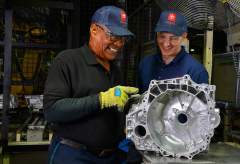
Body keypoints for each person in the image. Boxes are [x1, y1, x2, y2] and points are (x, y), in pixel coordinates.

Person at [44, 6, 139, 164]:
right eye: (113, 35)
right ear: (94, 30)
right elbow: (52, 110)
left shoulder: (115, 70)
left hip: (110, 156)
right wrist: (101, 100)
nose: (119, 43)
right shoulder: (67, 61)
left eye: (123, 38)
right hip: (73, 155)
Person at [138, 10, 209, 93]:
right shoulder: (146, 64)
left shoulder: (196, 71)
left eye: (173, 38)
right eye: (162, 36)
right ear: (157, 34)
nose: (166, 44)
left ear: (184, 36)